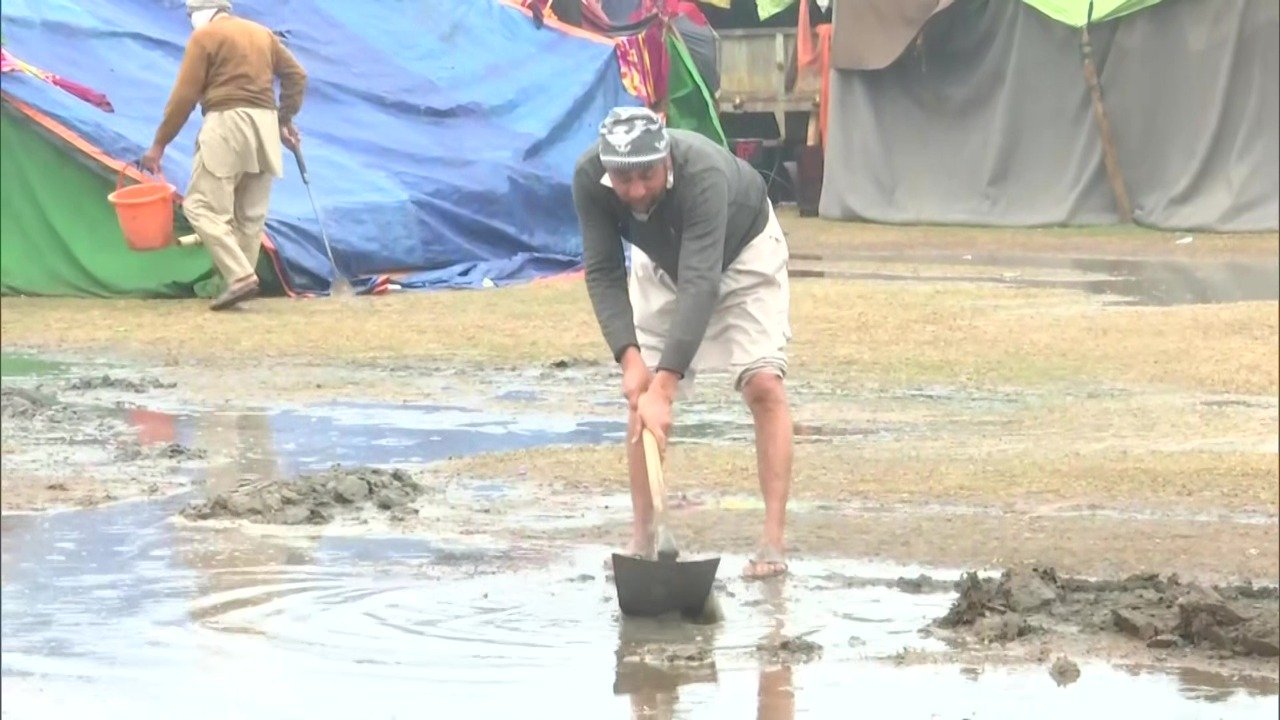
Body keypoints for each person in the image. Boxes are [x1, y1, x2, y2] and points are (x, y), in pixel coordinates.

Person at [571, 107, 794, 579]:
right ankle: (643, 540)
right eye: (622, 179)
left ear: (666, 156)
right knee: (639, 402)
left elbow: (700, 283)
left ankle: (772, 543)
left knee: (764, 385)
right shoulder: (590, 178)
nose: (634, 191)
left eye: (646, 176)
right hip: (660, 260)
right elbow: (605, 271)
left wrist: (665, 387)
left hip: (743, 252)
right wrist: (631, 363)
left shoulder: (704, 173)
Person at [142, 0, 307, 311]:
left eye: (191, 14)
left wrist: (159, 145)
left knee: (201, 207)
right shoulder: (262, 34)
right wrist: (283, 118)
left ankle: (240, 276)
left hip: (227, 122)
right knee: (249, 215)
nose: (191, 20)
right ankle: (238, 286)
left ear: (202, 11)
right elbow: (297, 75)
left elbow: (184, 97)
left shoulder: (205, 37)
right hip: (265, 125)